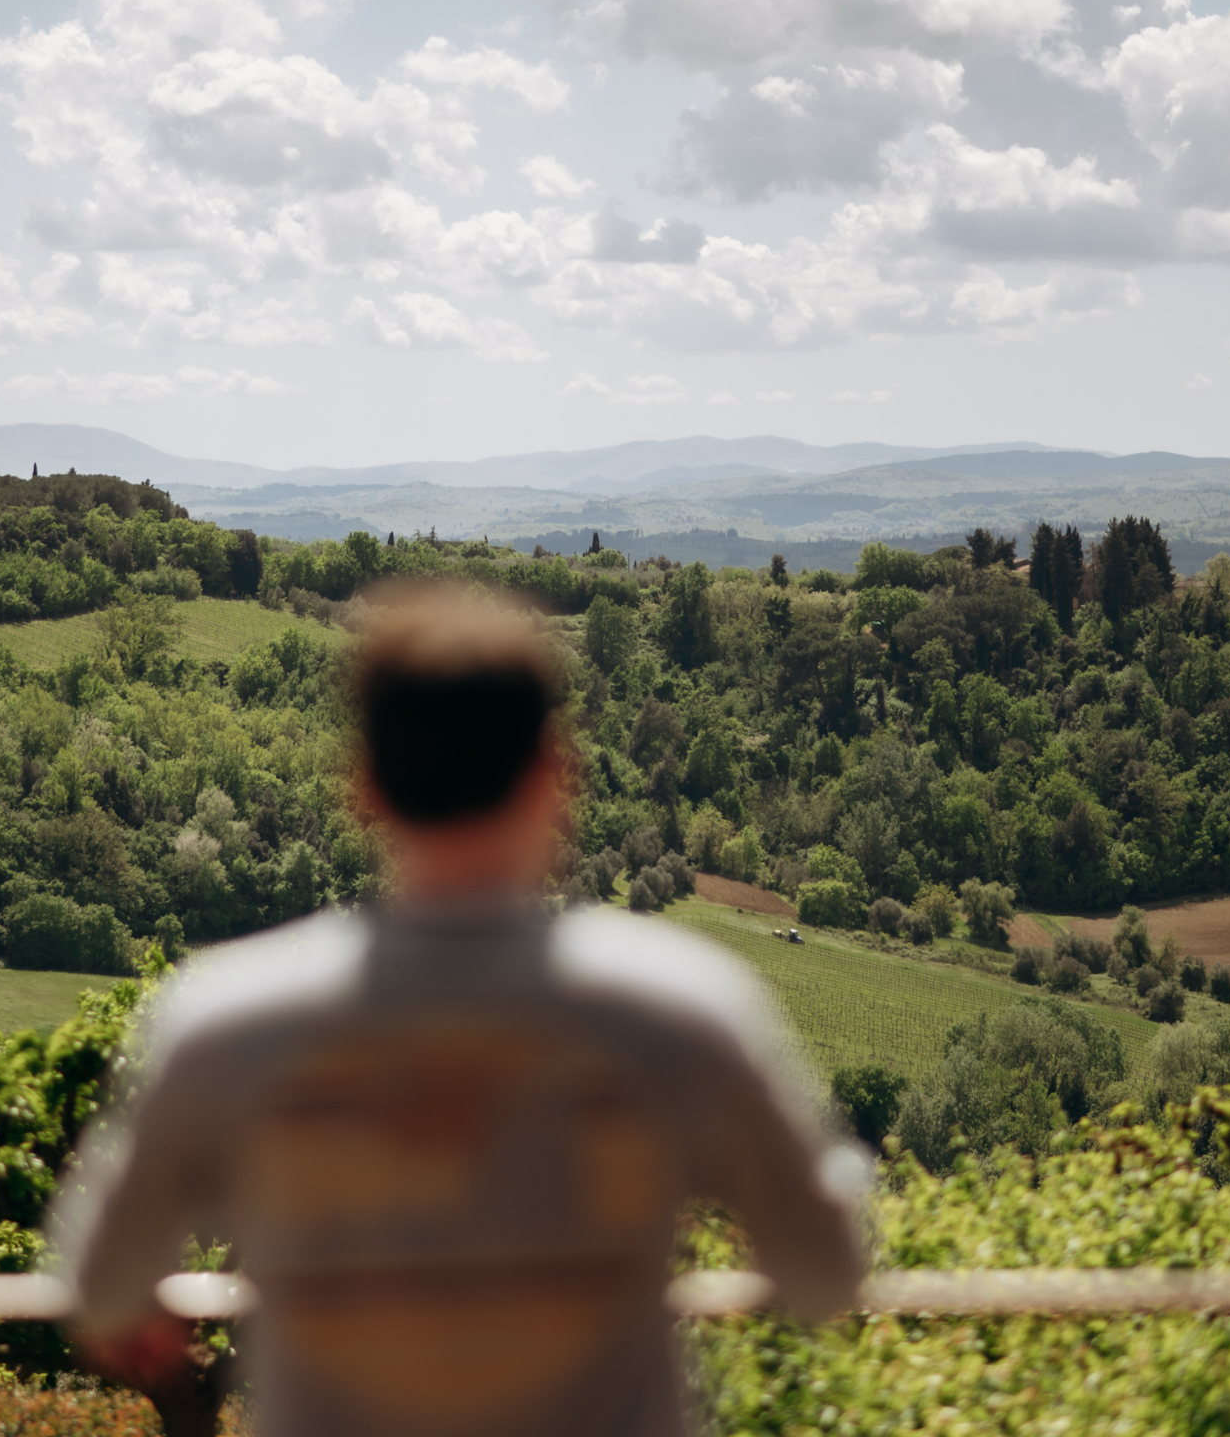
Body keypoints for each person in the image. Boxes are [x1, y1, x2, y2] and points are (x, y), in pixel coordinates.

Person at [52, 585, 870, 1437]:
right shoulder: (681, 1014)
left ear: (362, 788)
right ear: (555, 779)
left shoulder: (225, 1024)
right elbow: (826, 1273)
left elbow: (102, 1283)